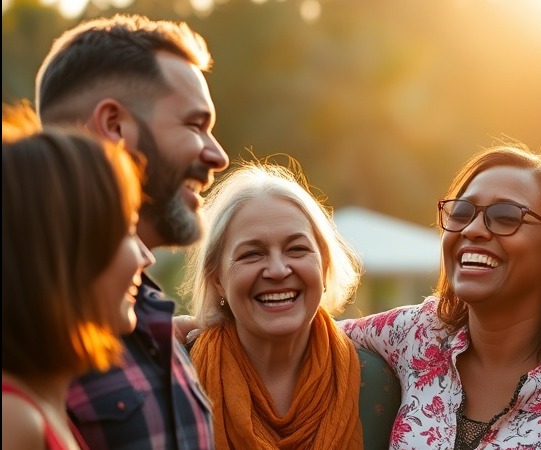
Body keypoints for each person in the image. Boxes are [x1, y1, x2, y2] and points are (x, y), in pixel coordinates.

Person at [340, 144, 541, 449]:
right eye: (461, 213)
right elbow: (315, 332)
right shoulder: (419, 333)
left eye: (506, 216)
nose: (472, 229)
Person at [35, 14, 229, 449]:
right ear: (115, 126)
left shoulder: (148, 310)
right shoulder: (27, 324)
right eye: (195, 125)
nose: (218, 156)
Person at [183, 157, 400, 450]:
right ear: (217, 278)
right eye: (251, 254)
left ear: (324, 265)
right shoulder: (174, 378)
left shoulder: (374, 382)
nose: (277, 270)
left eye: (297, 249)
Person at [2, 103, 153, 450]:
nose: (145, 257)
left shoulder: (37, 402)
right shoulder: (13, 419)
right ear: (71, 249)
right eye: (128, 230)